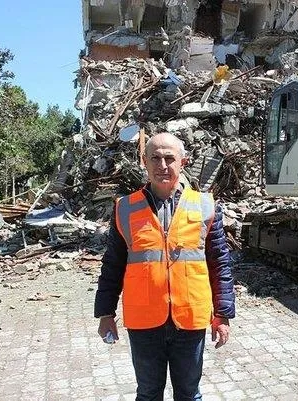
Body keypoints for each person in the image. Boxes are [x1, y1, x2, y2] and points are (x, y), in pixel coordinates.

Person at [94, 132, 235, 400]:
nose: (162, 165)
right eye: (155, 158)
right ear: (144, 162)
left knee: (189, 394)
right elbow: (112, 265)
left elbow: (220, 264)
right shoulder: (125, 208)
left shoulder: (205, 206)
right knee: (148, 394)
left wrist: (223, 314)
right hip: (144, 321)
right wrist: (105, 313)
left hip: (190, 318)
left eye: (169, 158)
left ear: (183, 162)